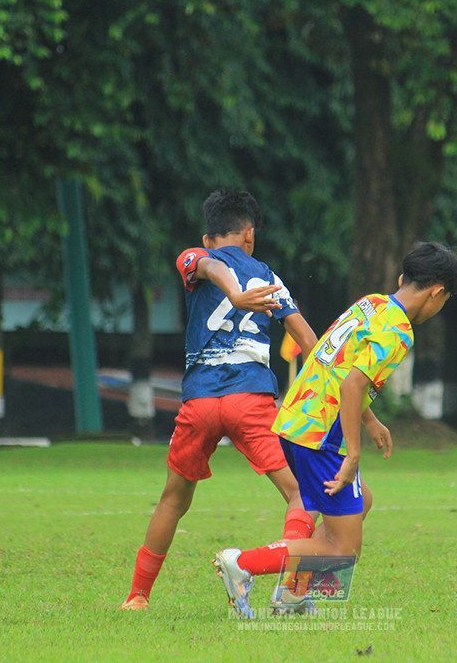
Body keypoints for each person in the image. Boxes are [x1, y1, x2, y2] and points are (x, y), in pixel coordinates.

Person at [213, 241, 457, 618]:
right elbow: (351, 386)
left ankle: (292, 595)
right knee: (343, 548)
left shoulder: (373, 304)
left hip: (297, 419)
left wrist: (369, 419)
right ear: (437, 292)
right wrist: (354, 452)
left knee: (362, 502)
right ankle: (241, 564)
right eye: (443, 302)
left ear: (401, 279)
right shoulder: (398, 331)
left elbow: (336, 365)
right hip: (321, 434)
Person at [121, 189, 318, 610]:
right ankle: (294, 592)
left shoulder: (194, 256)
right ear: (249, 234)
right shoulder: (269, 277)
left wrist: (230, 290)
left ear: (210, 236)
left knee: (173, 499)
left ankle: (138, 596)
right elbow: (308, 341)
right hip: (251, 399)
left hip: (201, 403)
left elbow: (207, 266)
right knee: (303, 496)